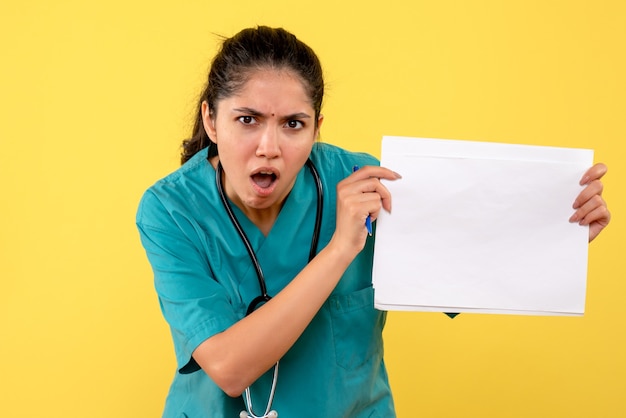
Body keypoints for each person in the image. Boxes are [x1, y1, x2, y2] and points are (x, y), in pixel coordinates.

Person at [136, 26, 611, 418]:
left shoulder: (362, 182)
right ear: (212, 121)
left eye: (293, 124)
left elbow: (461, 270)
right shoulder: (171, 211)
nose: (269, 146)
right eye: (247, 120)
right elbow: (230, 366)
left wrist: (557, 238)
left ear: (317, 128)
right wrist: (341, 248)